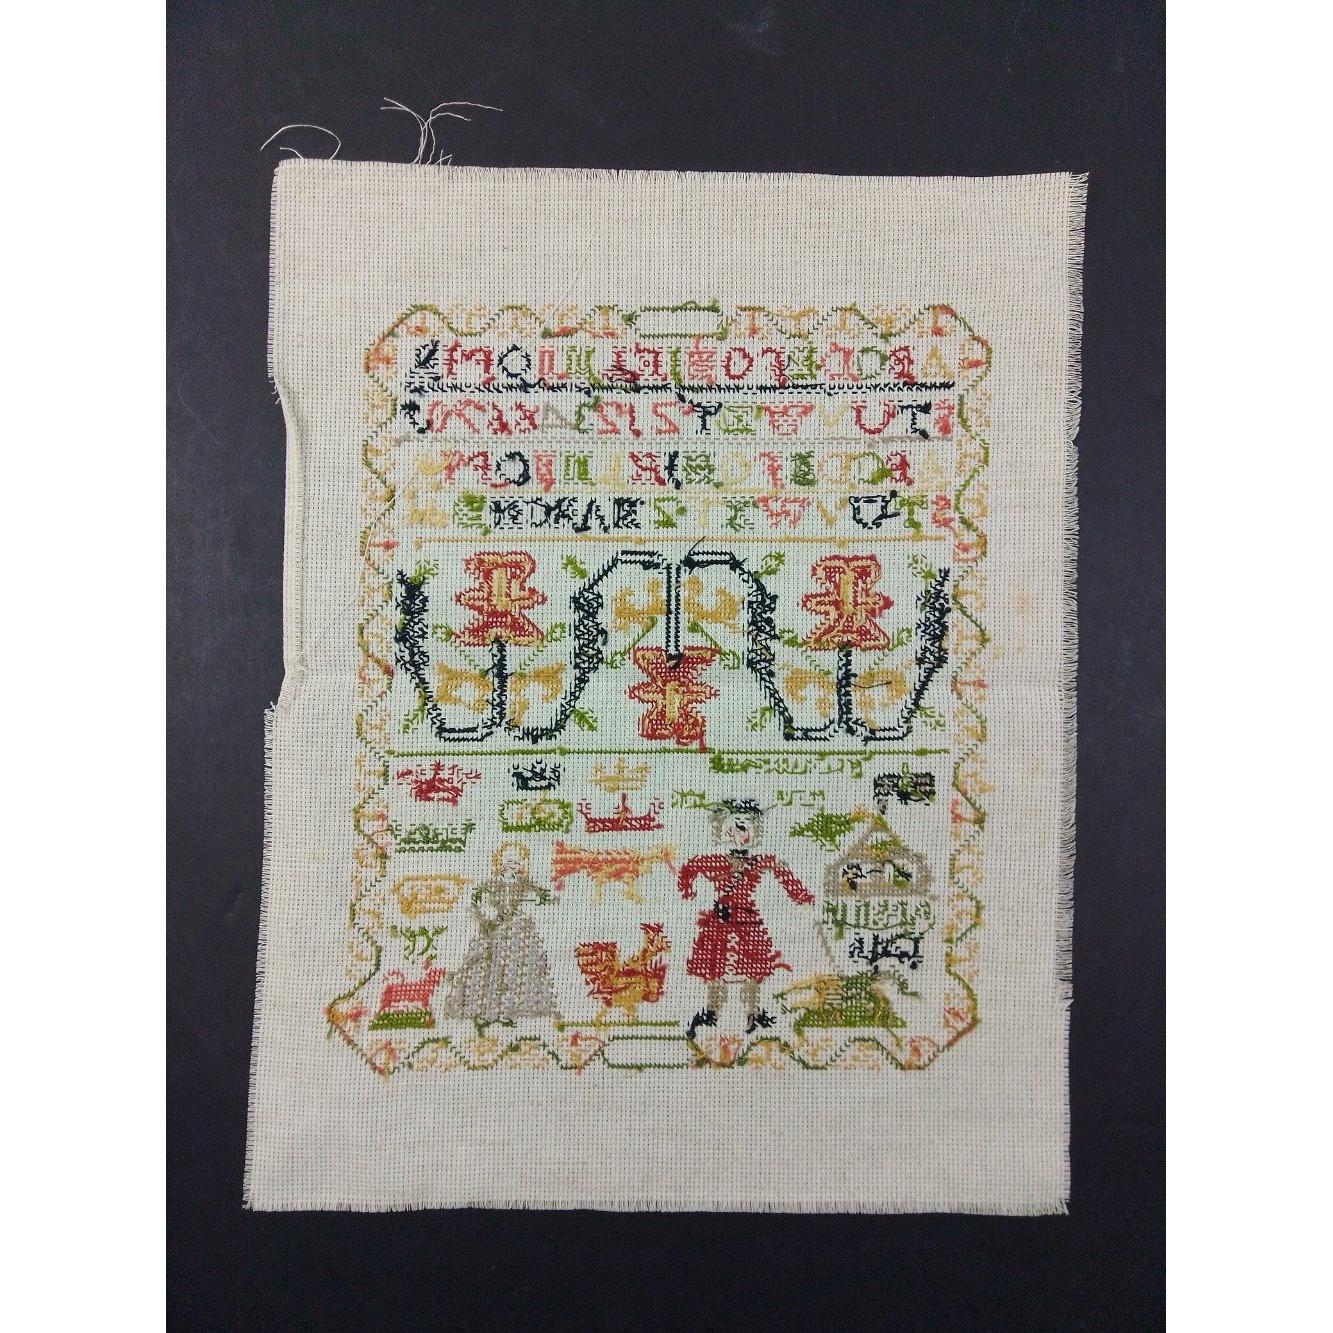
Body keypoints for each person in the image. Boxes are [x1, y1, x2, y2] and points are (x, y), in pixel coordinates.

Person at [677, 800, 814, 1039]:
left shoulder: (757, 862)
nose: (739, 834)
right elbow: (689, 868)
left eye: (745, 828)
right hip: (720, 922)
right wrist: (687, 890)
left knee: (753, 966)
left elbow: (781, 871)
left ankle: (752, 1012)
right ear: (720, 830)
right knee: (715, 966)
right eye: (732, 828)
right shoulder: (716, 862)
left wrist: (801, 896)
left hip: (746, 921)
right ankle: (712, 1011)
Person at [441, 841, 558, 1030]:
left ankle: (507, 1011)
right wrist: (483, 918)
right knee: (490, 970)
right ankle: (486, 1011)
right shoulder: (491, 884)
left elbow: (542, 894)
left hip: (517, 931)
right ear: (500, 864)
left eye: (517, 862)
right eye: (508, 862)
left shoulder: (523, 884)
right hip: (496, 930)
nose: (513, 866)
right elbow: (475, 901)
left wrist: (549, 898)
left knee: (515, 971)